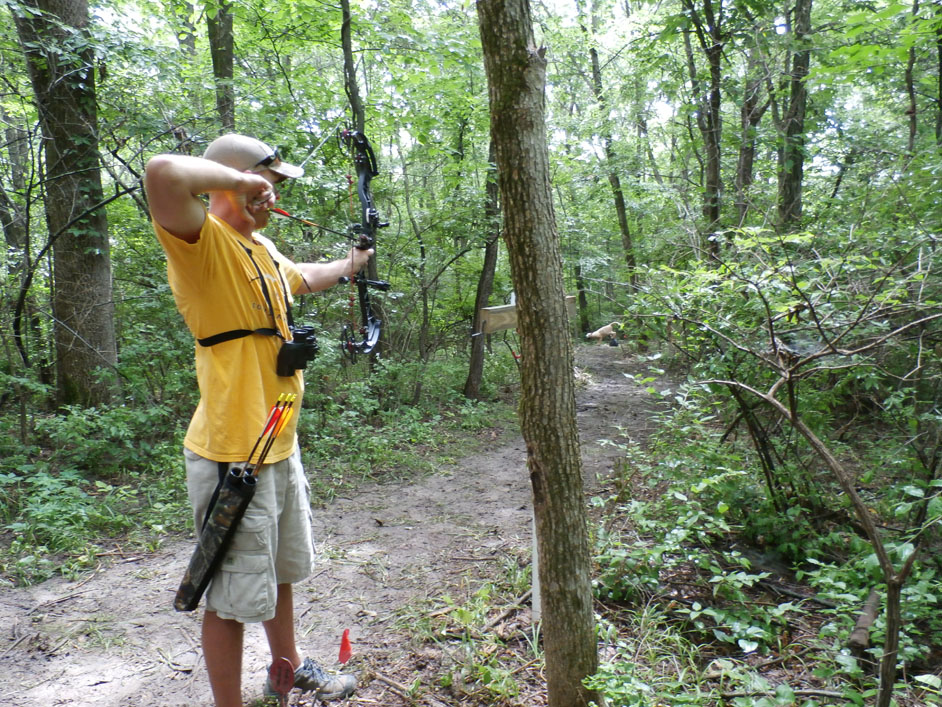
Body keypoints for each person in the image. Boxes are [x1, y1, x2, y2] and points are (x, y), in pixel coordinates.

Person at [144, 134, 369, 706]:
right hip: (232, 452)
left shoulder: (261, 249)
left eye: (276, 186)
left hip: (276, 440)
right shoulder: (202, 242)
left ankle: (286, 674)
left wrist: (350, 265)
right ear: (230, 182)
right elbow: (161, 173)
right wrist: (241, 182)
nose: (273, 195)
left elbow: (305, 277)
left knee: (280, 574)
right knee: (230, 597)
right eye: (267, 182)